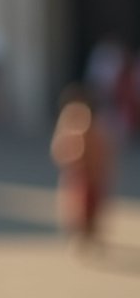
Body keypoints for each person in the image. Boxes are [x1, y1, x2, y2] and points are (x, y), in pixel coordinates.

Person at [50, 86, 116, 245]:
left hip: (92, 173)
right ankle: (81, 234)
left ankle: (89, 235)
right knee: (77, 206)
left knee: (91, 207)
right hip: (79, 174)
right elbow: (61, 148)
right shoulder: (71, 120)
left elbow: (104, 151)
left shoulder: (96, 124)